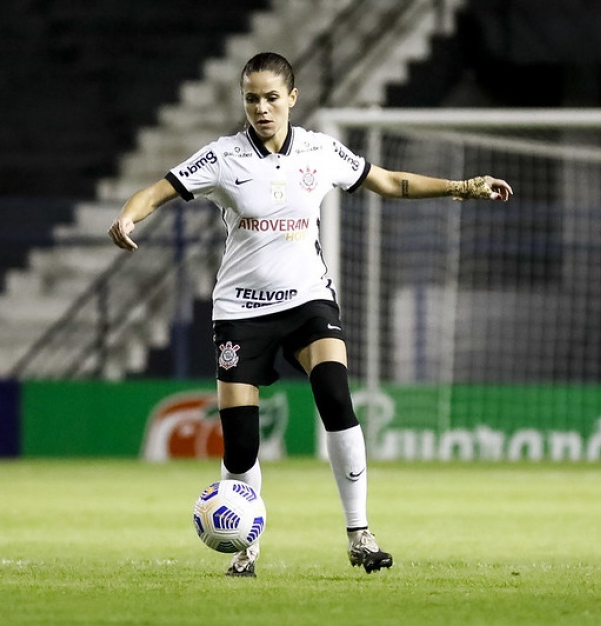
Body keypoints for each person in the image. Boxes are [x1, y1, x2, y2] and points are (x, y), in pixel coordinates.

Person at [108, 51, 512, 577]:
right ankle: (246, 548)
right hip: (240, 312)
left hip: (307, 301)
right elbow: (157, 191)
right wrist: (127, 217)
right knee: (242, 442)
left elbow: (388, 181)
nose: (261, 108)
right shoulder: (223, 157)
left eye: (272, 97)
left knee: (335, 394)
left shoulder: (320, 152)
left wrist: (461, 188)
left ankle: (360, 534)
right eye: (252, 98)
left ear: (292, 98)